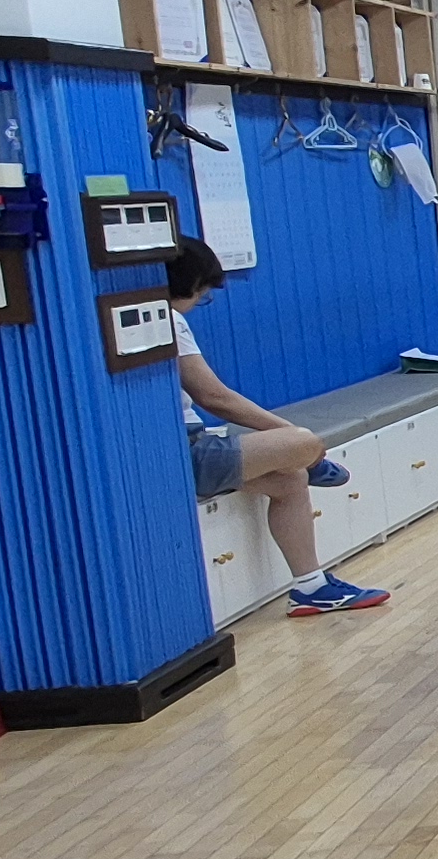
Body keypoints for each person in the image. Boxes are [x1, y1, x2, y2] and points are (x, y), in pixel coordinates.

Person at [162, 239, 388, 618]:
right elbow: (214, 397)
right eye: (202, 293)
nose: (200, 301)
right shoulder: (169, 320)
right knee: (303, 443)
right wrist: (300, 440)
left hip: (190, 442)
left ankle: (311, 587)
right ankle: (315, 462)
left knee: (289, 481)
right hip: (186, 453)